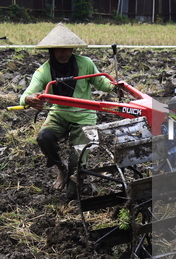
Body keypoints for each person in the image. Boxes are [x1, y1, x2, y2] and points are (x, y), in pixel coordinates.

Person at [20, 23, 114, 193]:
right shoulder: (44, 71)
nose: (64, 53)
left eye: (68, 49)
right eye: (60, 49)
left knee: (76, 167)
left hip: (84, 116)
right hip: (60, 114)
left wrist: (115, 86)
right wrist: (28, 99)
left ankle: (74, 178)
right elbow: (26, 94)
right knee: (44, 137)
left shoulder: (85, 63)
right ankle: (60, 168)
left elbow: (102, 82)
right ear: (52, 50)